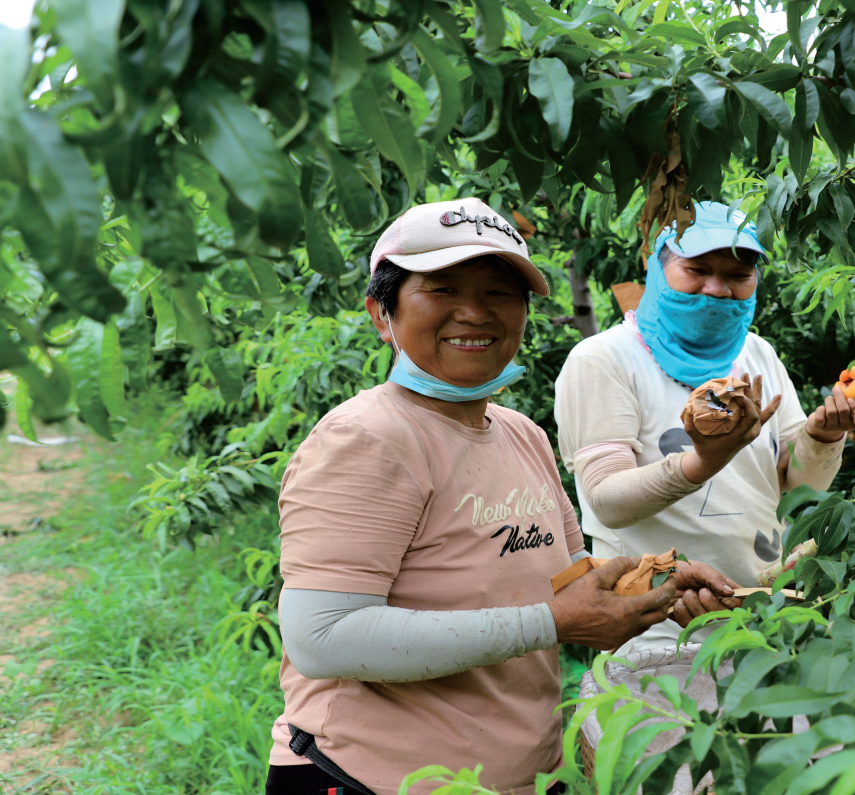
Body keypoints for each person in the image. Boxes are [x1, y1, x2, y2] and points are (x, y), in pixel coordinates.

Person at [264, 198, 736, 795]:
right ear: (382, 314)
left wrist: (661, 584)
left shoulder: (520, 433)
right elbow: (324, 638)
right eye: (442, 289)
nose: (474, 312)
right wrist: (550, 623)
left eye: (500, 293)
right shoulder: (368, 438)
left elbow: (569, 583)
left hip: (517, 777)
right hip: (370, 779)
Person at [554, 201, 855, 653]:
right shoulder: (605, 360)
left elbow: (799, 489)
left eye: (738, 275)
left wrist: (822, 436)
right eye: (696, 270)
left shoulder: (757, 354)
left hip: (767, 611)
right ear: (657, 271)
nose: (717, 290)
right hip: (655, 628)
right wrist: (702, 462)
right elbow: (607, 502)